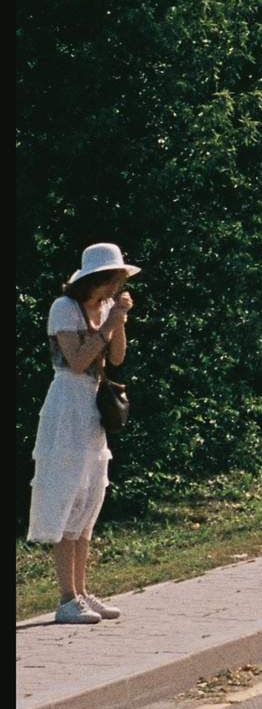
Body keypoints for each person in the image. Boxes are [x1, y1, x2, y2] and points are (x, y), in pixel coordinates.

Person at [29, 242, 137, 625]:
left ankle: (82, 591)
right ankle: (65, 598)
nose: (120, 284)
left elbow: (118, 357)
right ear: (101, 277)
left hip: (91, 408)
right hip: (66, 407)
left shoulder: (106, 309)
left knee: (90, 497)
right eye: (117, 276)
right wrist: (108, 325)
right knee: (66, 493)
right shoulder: (65, 308)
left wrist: (117, 321)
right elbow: (75, 361)